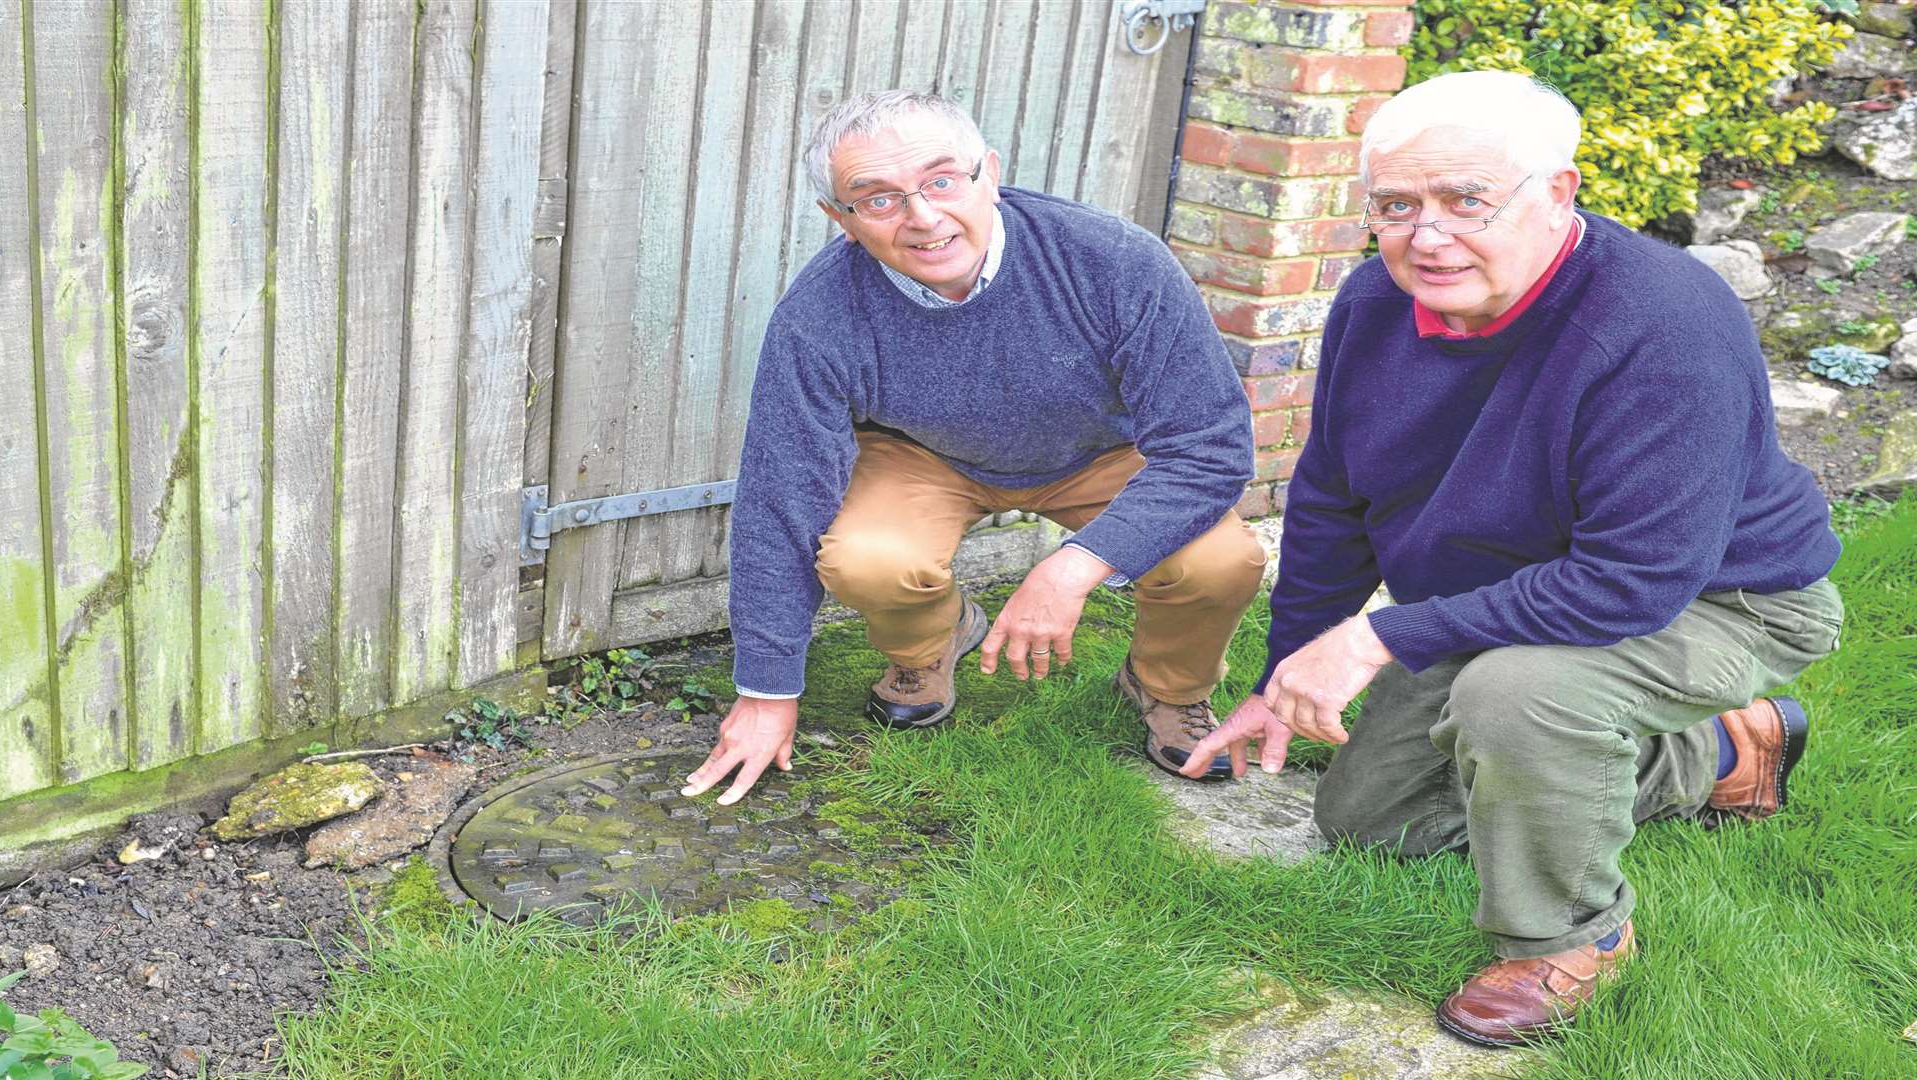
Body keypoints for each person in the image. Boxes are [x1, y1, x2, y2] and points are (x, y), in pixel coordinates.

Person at [1180, 71, 1844, 1047]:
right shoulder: (1376, 303)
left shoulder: (1664, 324)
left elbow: (1633, 581)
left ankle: (1570, 938)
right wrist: (1290, 670)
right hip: (1521, 580)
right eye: (1397, 206)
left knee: (1519, 699)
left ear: (1559, 193)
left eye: (1465, 200)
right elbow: (1331, 494)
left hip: (1721, 595)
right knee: (1372, 818)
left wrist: (1379, 635)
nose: (1428, 234)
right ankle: (1724, 751)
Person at [682, 90, 1266, 808]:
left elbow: (1211, 447)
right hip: (926, 455)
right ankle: (931, 645)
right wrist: (767, 691)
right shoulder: (819, 316)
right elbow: (781, 500)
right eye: (879, 199)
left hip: (1100, 451)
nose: (923, 217)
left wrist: (1070, 570)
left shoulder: (1112, 261)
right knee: (869, 559)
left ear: (989, 173)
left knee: (1220, 558)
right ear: (841, 220)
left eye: (941, 181)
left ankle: (1167, 687)